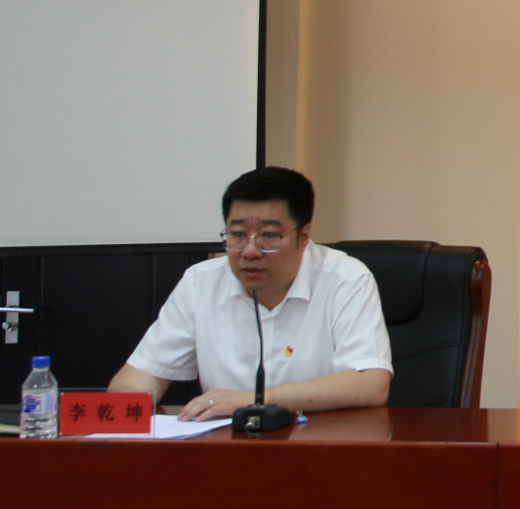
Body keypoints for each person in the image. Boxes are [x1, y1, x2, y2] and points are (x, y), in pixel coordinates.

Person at [110, 166, 393, 420]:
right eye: (238, 235)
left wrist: (252, 401)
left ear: (303, 237)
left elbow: (370, 384)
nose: (249, 251)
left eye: (269, 235)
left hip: (321, 446)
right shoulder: (200, 283)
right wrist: (127, 403)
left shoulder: (346, 279)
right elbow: (139, 377)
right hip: (227, 449)